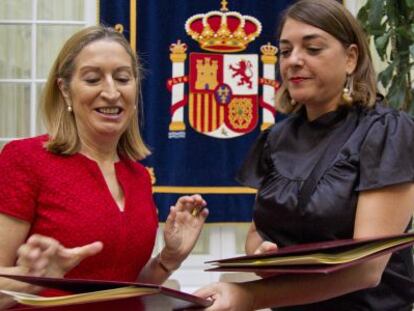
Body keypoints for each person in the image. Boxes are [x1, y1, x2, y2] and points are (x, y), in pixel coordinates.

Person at [194, 0, 414, 310]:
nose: (293, 60)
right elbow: (257, 234)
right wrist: (262, 257)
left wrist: (250, 295)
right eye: (285, 51)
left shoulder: (386, 131)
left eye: (312, 49)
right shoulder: (275, 139)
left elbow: (366, 270)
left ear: (351, 58)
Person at [0, 25, 208, 310]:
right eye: (93, 79)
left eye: (123, 78)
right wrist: (30, 279)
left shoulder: (137, 176)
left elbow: (126, 286)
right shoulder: (24, 159)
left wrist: (168, 259)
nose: (111, 92)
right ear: (65, 89)